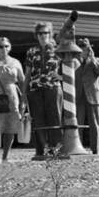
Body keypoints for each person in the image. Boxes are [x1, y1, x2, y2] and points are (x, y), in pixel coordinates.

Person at [25, 20, 62, 160]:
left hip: (53, 88)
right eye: (40, 33)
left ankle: (56, 150)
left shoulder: (58, 50)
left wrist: (61, 76)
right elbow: (27, 73)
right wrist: (24, 93)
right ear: (36, 35)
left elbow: (73, 66)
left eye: (46, 32)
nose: (43, 35)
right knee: (38, 120)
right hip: (35, 89)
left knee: (54, 118)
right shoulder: (31, 51)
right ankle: (41, 151)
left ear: (50, 34)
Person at [0, 36, 27, 162]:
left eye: (6, 46)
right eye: (0, 46)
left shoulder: (16, 62)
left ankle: (6, 156)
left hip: (12, 95)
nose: (4, 49)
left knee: (10, 126)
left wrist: (23, 99)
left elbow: (22, 81)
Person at [76, 37, 99, 154]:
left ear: (89, 50)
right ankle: (78, 148)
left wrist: (93, 59)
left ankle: (95, 149)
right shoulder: (75, 62)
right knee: (78, 123)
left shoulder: (97, 60)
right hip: (80, 96)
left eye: (85, 49)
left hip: (93, 96)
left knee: (94, 124)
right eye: (81, 49)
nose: (83, 52)